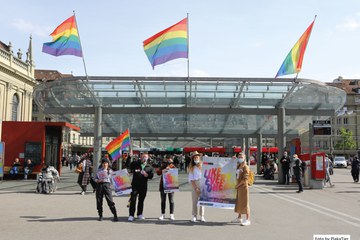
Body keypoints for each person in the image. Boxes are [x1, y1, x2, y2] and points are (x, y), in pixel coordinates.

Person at [128, 152, 154, 222]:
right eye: (143, 157)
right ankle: (131, 215)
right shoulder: (135, 163)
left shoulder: (149, 167)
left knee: (141, 200)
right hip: (135, 185)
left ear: (148, 158)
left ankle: (140, 214)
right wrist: (129, 157)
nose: (144, 158)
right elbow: (128, 165)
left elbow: (152, 175)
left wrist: (147, 175)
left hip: (143, 186)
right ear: (140, 157)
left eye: (145, 157)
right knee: (133, 200)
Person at [231, 152, 251, 226]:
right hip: (238, 187)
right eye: (239, 157)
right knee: (239, 202)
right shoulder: (239, 166)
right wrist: (233, 159)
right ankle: (239, 217)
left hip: (243, 187)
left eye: (241, 157)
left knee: (245, 203)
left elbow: (245, 179)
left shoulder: (246, 167)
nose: (240, 158)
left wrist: (237, 185)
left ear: (244, 158)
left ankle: (248, 219)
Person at [157, 155, 176, 221]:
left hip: (171, 185)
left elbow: (175, 173)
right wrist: (164, 169)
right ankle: (163, 214)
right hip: (163, 185)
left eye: (169, 159)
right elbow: (158, 172)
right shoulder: (163, 165)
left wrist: (171, 166)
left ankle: (171, 214)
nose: (168, 160)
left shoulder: (173, 166)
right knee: (163, 200)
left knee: (171, 200)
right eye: (167, 159)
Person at [188, 151, 205, 223]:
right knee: (194, 201)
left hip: (202, 183)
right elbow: (191, 179)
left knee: (202, 201)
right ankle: (194, 215)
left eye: (197, 157)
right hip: (195, 183)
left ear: (199, 158)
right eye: (195, 157)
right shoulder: (191, 167)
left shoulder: (203, 165)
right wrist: (195, 187)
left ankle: (202, 216)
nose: (196, 158)